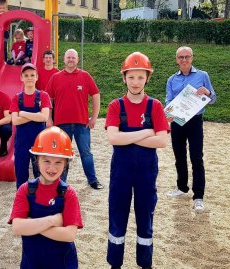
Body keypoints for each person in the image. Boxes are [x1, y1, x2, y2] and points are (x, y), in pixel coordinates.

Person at [105, 52, 169, 269]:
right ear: (124, 77)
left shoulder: (155, 106)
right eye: (131, 77)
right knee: (117, 216)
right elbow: (113, 138)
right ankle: (115, 263)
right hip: (121, 172)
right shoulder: (116, 106)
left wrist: (129, 137)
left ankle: (145, 263)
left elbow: (161, 141)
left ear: (147, 78)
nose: (135, 82)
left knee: (145, 217)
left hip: (146, 173)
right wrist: (146, 132)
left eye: (140, 77)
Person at [9, 126, 83, 269]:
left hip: (62, 263)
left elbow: (69, 235)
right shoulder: (26, 190)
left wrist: (31, 226)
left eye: (58, 162)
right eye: (46, 161)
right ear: (37, 160)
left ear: (66, 163)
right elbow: (17, 228)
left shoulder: (68, 193)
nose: (52, 168)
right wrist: (53, 220)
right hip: (32, 262)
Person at [165, 46, 217, 212]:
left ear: (192, 58)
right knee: (179, 156)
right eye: (181, 57)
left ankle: (199, 196)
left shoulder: (203, 75)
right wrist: (169, 112)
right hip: (178, 121)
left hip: (195, 121)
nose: (184, 60)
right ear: (176, 60)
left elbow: (213, 98)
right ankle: (182, 187)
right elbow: (168, 101)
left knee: (196, 157)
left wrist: (207, 92)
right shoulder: (171, 79)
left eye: (187, 57)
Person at [46, 48, 103, 190]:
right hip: (61, 124)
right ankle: (61, 182)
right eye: (68, 57)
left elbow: (95, 95)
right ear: (64, 60)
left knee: (86, 153)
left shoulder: (85, 76)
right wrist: (48, 119)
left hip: (82, 123)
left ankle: (92, 180)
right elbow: (47, 99)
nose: (70, 60)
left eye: (73, 57)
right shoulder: (55, 77)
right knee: (62, 155)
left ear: (77, 60)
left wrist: (94, 117)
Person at [10, 63, 51, 189]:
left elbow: (44, 117)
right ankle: (21, 198)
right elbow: (15, 121)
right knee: (21, 172)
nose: (29, 78)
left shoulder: (43, 95)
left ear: (37, 77)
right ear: (21, 78)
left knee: (40, 171)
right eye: (26, 75)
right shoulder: (17, 98)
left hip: (39, 141)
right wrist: (35, 115)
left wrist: (23, 113)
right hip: (22, 141)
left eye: (32, 75)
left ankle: (41, 197)